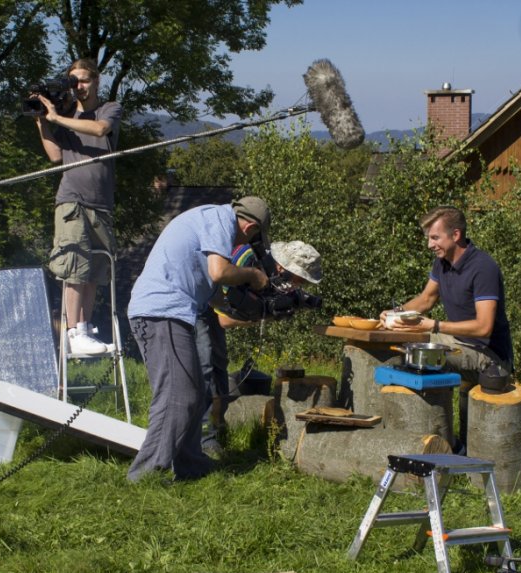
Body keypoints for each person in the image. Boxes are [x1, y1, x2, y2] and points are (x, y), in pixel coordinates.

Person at [126, 197, 272, 482]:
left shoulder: (208, 220)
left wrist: (251, 311)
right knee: (177, 396)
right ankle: (144, 476)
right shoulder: (221, 221)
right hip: (161, 312)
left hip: (169, 312)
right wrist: (253, 275)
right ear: (251, 227)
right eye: (250, 237)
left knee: (193, 392)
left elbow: (213, 292)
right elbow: (220, 272)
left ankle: (191, 465)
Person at [382, 205, 513, 450]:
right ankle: (424, 440)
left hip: (489, 357)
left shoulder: (483, 268)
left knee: (418, 358)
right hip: (458, 345)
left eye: (435, 238)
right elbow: (425, 300)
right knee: (399, 350)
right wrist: (395, 314)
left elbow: (484, 327)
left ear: (456, 235)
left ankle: (445, 445)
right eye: (428, 238)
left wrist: (436, 325)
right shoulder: (441, 263)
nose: (430, 245)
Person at [198, 240, 323, 457]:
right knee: (205, 368)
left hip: (212, 308)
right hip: (196, 304)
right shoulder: (246, 258)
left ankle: (218, 429)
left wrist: (281, 307)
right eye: (299, 279)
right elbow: (226, 320)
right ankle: (203, 439)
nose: (298, 286)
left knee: (219, 365)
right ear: (284, 267)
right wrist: (267, 314)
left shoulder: (273, 273)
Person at [34, 58, 123, 355]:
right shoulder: (67, 114)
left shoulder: (109, 108)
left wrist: (58, 119)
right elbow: (55, 156)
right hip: (72, 199)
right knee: (74, 266)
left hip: (101, 203)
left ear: (96, 81)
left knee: (95, 271)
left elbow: (100, 130)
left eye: (84, 81)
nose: (80, 87)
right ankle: (75, 331)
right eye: (74, 82)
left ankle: (84, 329)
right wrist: (42, 121)